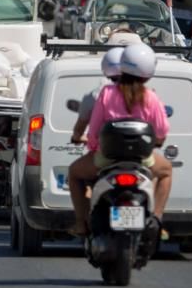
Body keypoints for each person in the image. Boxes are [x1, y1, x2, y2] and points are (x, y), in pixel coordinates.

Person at [68, 44, 173, 237]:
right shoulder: (151, 97)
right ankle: (157, 220)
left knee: (74, 173)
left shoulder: (107, 94)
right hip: (143, 160)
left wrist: (94, 148)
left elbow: (94, 130)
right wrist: (157, 142)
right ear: (148, 72)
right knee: (166, 172)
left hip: (106, 159)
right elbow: (161, 131)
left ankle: (81, 223)